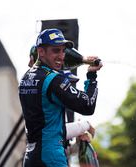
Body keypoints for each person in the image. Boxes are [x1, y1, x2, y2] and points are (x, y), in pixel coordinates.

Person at [19, 28, 103, 167]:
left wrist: (79, 129)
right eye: (56, 50)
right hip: (51, 159)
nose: (62, 56)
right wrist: (92, 77)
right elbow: (87, 105)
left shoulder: (25, 78)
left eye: (63, 50)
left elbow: (48, 127)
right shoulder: (54, 80)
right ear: (41, 51)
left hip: (31, 157)